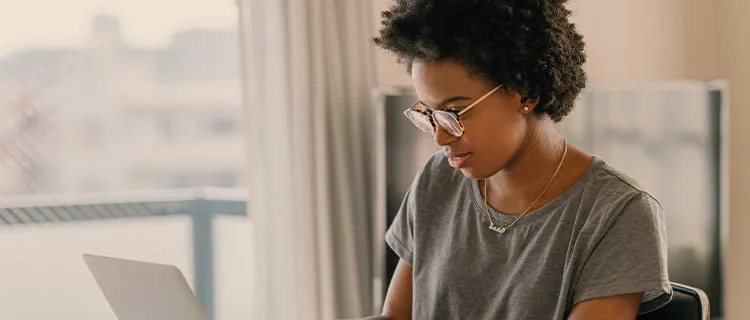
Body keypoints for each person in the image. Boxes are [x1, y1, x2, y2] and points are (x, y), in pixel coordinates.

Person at [366, 0, 672, 319]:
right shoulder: (437, 178)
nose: (440, 137)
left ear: (525, 93)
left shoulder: (618, 213)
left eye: (454, 113)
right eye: (430, 114)